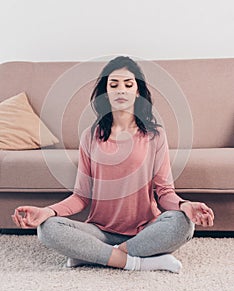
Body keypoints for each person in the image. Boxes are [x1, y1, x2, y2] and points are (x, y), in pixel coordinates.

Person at [12, 56, 214, 273]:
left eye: (128, 85)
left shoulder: (155, 136)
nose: (121, 90)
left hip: (145, 230)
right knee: (47, 229)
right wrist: (48, 211)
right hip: (99, 230)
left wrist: (185, 205)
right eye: (113, 84)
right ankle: (138, 262)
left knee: (183, 223)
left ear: (138, 92)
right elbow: (81, 197)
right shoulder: (90, 136)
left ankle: (95, 255)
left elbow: (164, 192)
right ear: (105, 92)